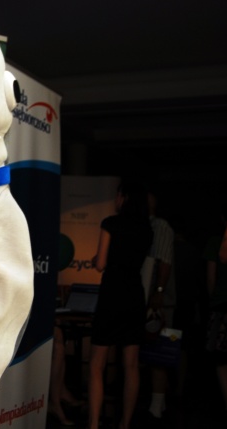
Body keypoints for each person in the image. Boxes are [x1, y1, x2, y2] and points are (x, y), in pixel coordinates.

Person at [88, 179, 153, 429]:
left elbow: (101, 264)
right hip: (134, 295)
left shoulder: (111, 223)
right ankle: (125, 423)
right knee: (131, 365)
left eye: (118, 195)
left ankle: (94, 424)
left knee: (97, 364)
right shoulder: (147, 228)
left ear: (124, 197)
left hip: (112, 294)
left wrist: (96, 258)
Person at [140, 190, 175, 423]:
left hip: (158, 298)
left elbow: (164, 261)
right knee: (150, 350)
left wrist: (159, 292)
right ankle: (156, 403)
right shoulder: (143, 224)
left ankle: (156, 405)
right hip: (147, 295)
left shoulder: (160, 226)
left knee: (159, 351)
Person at [204, 215, 227, 425]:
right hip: (223, 302)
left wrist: (212, 299)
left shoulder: (218, 242)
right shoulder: (217, 242)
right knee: (222, 356)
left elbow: (211, 277)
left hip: (223, 303)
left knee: (222, 357)